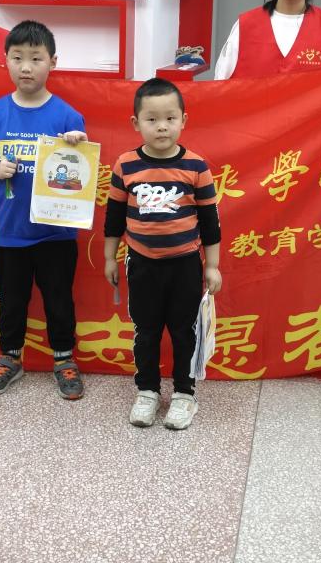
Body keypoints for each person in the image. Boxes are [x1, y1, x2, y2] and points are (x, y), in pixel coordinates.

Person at [0, 20, 88, 399]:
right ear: (5, 60)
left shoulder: (68, 116)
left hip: (56, 232)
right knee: (11, 301)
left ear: (53, 62)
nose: (26, 67)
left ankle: (64, 359)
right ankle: (10, 357)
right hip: (10, 231)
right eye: (17, 58)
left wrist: (78, 143)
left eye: (36, 58)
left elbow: (82, 170)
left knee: (59, 299)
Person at [102, 78, 222, 430]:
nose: (162, 127)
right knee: (146, 331)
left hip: (185, 265)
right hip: (141, 264)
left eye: (170, 118)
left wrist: (212, 266)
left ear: (184, 120)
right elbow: (113, 217)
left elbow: (210, 221)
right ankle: (147, 391)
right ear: (135, 123)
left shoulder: (196, 166)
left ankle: (185, 394)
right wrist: (109, 257)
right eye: (152, 119)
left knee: (184, 331)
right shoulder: (125, 165)